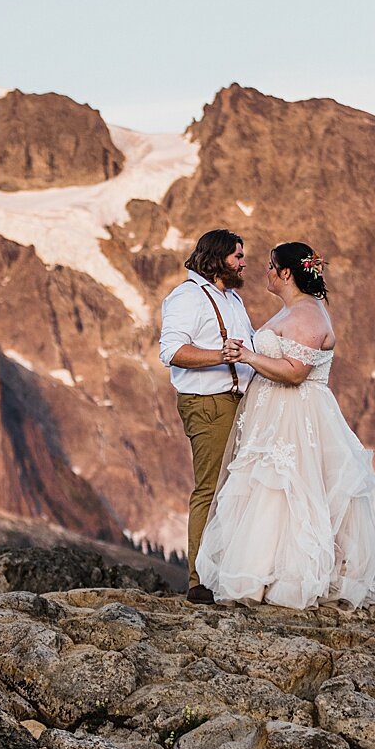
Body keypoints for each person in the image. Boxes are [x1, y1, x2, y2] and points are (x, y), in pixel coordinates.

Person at [193, 241, 375, 609]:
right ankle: (263, 573)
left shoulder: (307, 315)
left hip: (295, 415)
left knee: (289, 488)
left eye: (272, 266)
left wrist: (248, 356)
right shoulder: (296, 309)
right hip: (275, 415)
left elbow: (295, 372)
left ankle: (287, 578)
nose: (266, 271)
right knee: (268, 490)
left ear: (286, 273)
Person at [158, 229, 255, 604]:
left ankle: (227, 572)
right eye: (237, 257)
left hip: (234, 403)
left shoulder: (231, 298)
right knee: (211, 490)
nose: (243, 262)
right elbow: (172, 351)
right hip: (208, 405)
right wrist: (221, 356)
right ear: (217, 260)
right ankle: (200, 582)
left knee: (235, 491)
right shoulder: (187, 297)